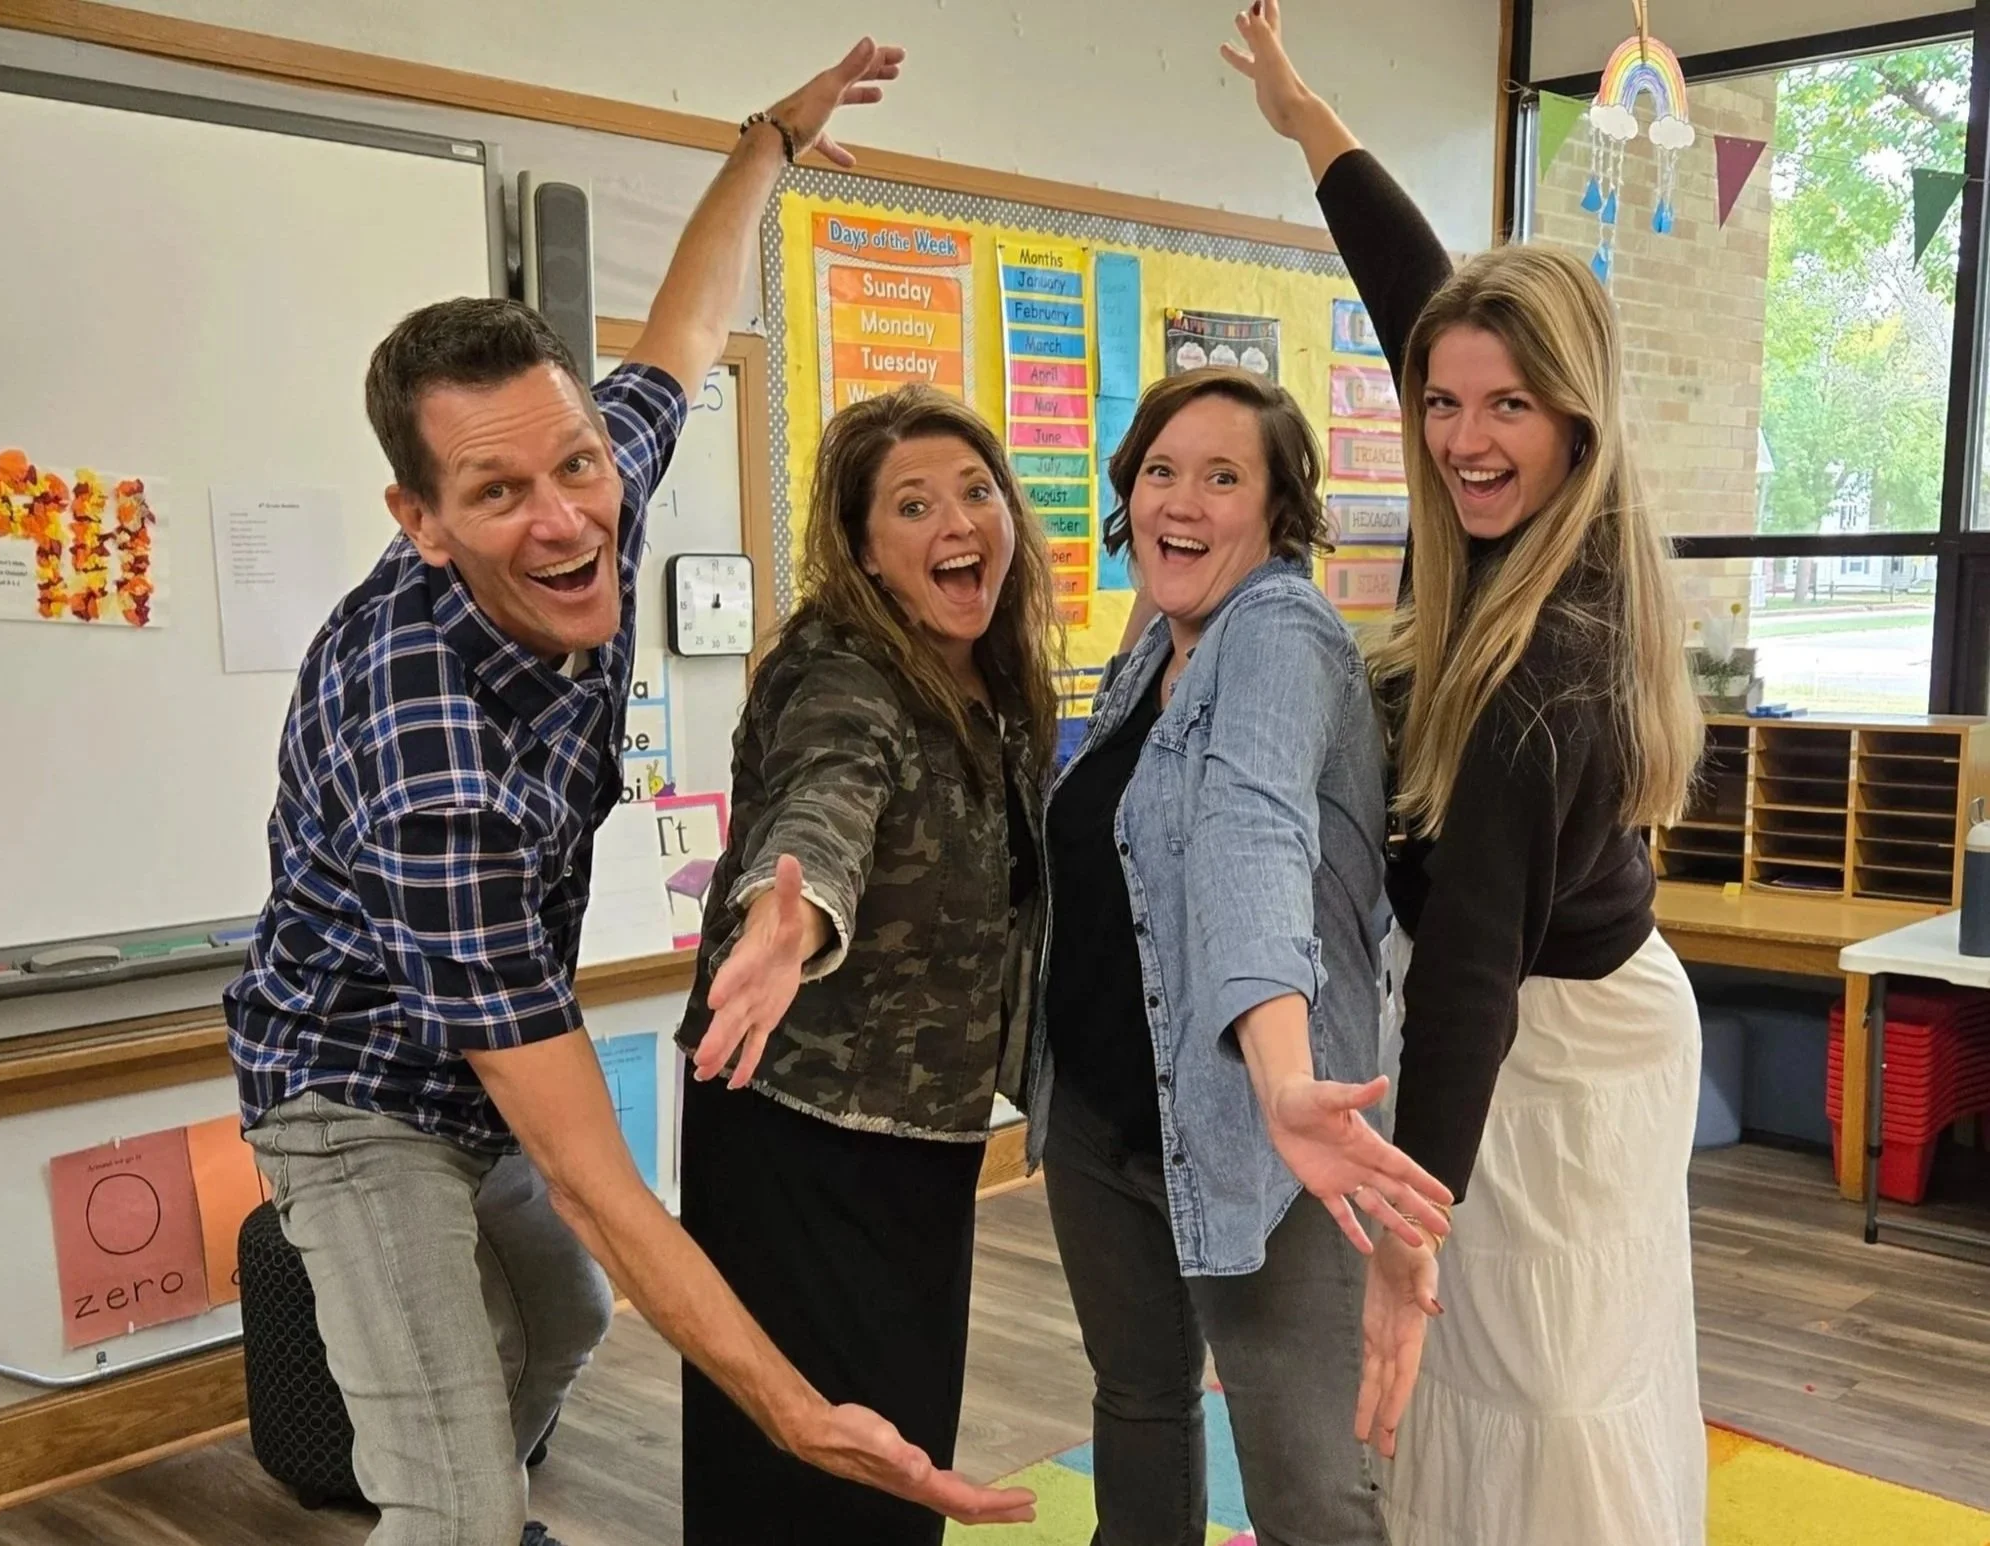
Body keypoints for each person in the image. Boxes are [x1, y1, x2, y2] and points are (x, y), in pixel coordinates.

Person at [224, 40, 1034, 1546]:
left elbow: (682, 330)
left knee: (566, 1321)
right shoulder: (430, 754)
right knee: (456, 1498)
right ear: (420, 519)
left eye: (579, 468)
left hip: (474, 1066)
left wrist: (769, 140)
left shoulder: (592, 476)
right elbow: (593, 1176)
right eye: (497, 494)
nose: (564, 522)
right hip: (355, 1093)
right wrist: (792, 1411)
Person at [1222, 6, 1708, 1543]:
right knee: (1521, 1373)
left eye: (1507, 406)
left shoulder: (1536, 678)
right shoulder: (1536, 521)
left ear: (1575, 413)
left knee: (1544, 1382)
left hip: (1557, 1043)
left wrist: (1404, 1226)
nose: (1462, 437)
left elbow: (1469, 981)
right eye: (1441, 401)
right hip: (1562, 999)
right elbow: (1421, 295)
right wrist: (1309, 121)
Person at [1025, 357, 1454, 1545]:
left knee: (1308, 1487)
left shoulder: (1277, 631)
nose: (1181, 500)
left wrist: (1280, 1082)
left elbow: (1248, 829)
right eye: (1160, 471)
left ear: (1278, 512)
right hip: (1102, 1121)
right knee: (1139, 1405)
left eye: (1222, 477)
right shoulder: (1156, 647)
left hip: (1264, 1132)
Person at [672, 383, 1060, 1545]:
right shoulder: (842, 671)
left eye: (976, 490)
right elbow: (826, 801)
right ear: (865, 552)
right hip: (797, 1127)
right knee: (800, 1468)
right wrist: (788, 921)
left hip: (922, 1128)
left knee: (898, 1452)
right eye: (912, 504)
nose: (958, 520)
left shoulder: (999, 682)